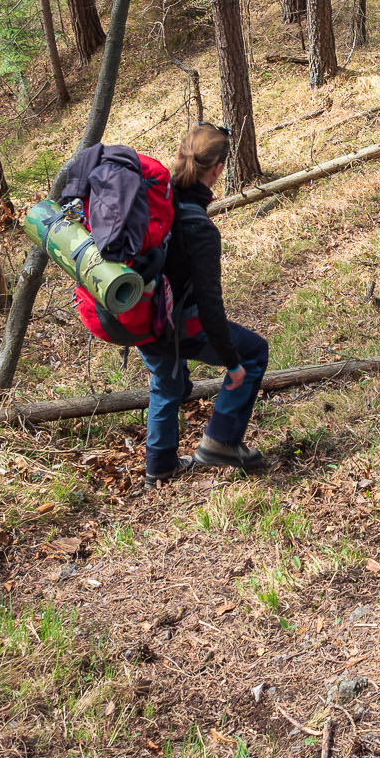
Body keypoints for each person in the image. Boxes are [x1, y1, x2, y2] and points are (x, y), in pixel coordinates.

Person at [142, 124, 270, 486]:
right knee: (254, 352)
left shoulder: (159, 201)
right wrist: (233, 362)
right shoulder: (197, 226)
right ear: (217, 171)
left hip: (139, 315)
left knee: (167, 385)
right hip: (175, 323)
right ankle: (222, 442)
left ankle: (160, 466)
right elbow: (211, 306)